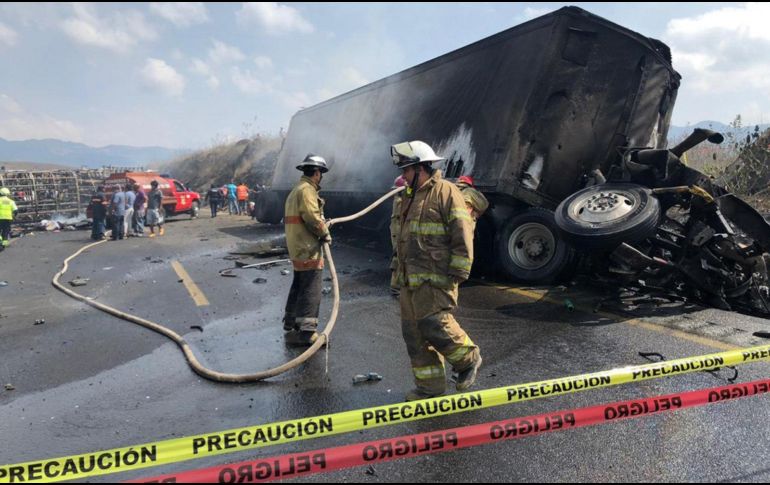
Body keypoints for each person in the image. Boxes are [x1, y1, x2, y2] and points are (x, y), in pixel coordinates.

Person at [391, 140, 482, 402]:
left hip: (436, 276)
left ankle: (468, 359)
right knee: (414, 335)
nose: (403, 175)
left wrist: (460, 269)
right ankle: (430, 388)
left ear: (422, 168)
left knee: (434, 324)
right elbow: (401, 238)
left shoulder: (446, 192)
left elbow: (461, 231)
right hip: (410, 279)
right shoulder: (407, 198)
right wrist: (397, 273)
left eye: (407, 170)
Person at [282, 154, 331, 346]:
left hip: (297, 246)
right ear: (317, 173)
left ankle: (292, 322)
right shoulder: (307, 190)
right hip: (307, 247)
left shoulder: (296, 190)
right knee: (312, 287)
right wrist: (325, 232)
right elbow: (311, 216)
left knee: (300, 284)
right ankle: (307, 333)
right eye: (321, 174)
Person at [389, 175, 407, 296]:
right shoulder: (401, 201)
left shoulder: (397, 199)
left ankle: (396, 286)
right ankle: (396, 287)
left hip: (396, 232)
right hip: (400, 232)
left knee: (398, 257)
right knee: (401, 258)